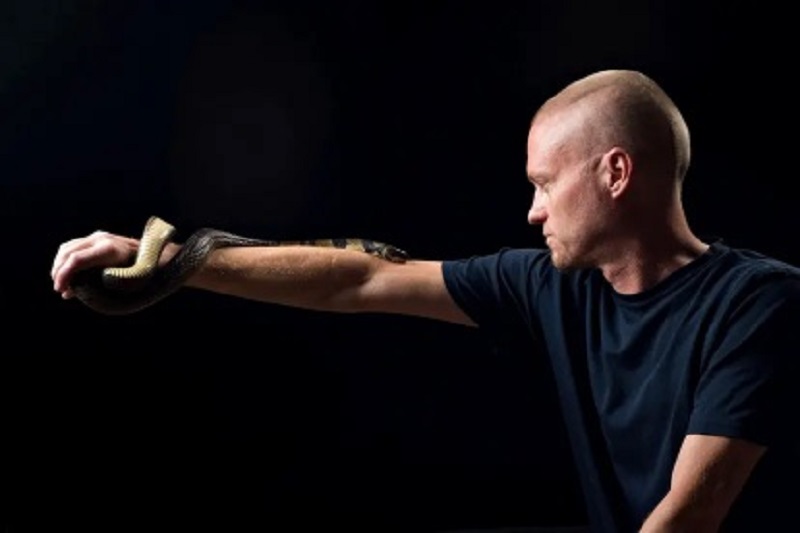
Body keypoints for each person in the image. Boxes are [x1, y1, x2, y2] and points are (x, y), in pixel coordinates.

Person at [51, 69, 800, 532]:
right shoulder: (552, 284)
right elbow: (358, 279)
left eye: (544, 184)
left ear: (615, 172)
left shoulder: (758, 303)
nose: (532, 211)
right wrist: (172, 260)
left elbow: (690, 515)